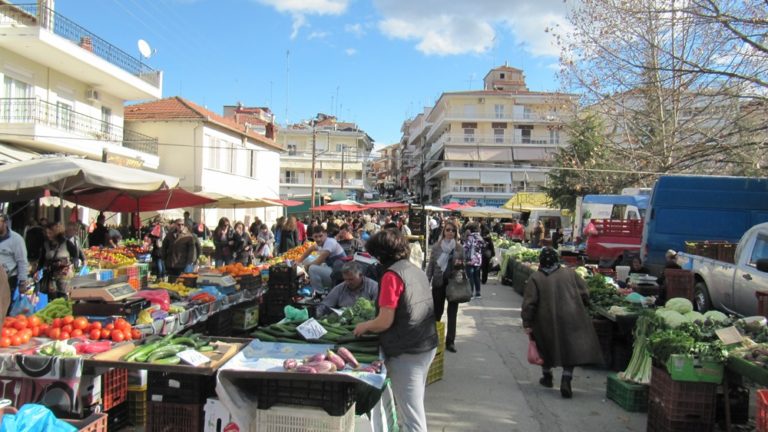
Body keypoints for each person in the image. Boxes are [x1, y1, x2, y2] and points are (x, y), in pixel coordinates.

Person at [353, 229, 437, 432]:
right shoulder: (414, 269)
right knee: (412, 405)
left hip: (407, 350)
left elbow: (384, 321)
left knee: (412, 415)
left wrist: (364, 326)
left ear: (381, 254)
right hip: (425, 344)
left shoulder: (392, 276)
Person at [521, 247, 603, 398]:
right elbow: (585, 293)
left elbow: (529, 303)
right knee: (569, 348)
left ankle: (547, 377)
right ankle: (566, 379)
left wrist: (527, 322)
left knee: (544, 346)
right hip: (571, 317)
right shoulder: (570, 273)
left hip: (544, 320)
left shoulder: (536, 278)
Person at [427, 221, 464, 353]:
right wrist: (427, 281)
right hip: (438, 283)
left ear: (455, 233)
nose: (450, 232)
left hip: (453, 284)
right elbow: (431, 265)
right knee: (437, 313)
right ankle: (433, 339)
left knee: (452, 314)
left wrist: (457, 264)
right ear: (444, 231)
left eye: (453, 230)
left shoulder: (459, 248)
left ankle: (450, 341)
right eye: (448, 230)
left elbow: (462, 267)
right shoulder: (437, 247)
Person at [298, 225, 347, 293]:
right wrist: (298, 261)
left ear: (325, 235)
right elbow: (310, 249)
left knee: (312, 268)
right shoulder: (322, 243)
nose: (318, 239)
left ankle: (319, 293)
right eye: (316, 237)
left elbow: (318, 262)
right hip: (335, 271)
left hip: (342, 277)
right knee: (308, 260)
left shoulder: (329, 242)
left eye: (320, 236)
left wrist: (304, 267)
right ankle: (323, 289)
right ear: (312, 237)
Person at [0, 213, 29, 318]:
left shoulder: (16, 240)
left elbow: (22, 261)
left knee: (3, 306)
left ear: (5, 223)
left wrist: (22, 281)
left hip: (8, 278)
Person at [39, 222, 78, 300]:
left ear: (56, 233)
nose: (48, 235)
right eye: (46, 233)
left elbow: (76, 255)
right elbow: (42, 260)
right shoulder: (45, 245)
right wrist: (38, 270)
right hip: (51, 275)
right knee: (52, 299)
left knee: (64, 297)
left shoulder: (66, 243)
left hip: (64, 275)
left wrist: (71, 265)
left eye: (50, 233)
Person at [463, 223, 485, 299]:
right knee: (477, 276)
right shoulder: (480, 237)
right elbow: (482, 247)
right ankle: (478, 293)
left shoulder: (470, 237)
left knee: (470, 276)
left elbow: (465, 248)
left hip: (470, 259)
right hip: (478, 259)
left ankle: (471, 293)